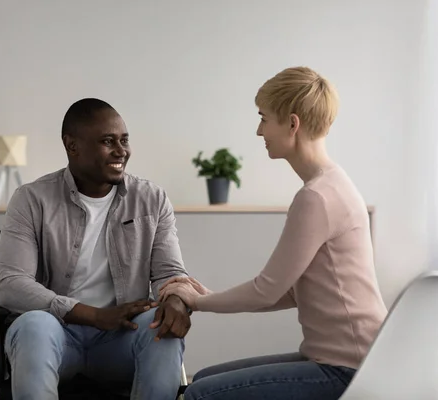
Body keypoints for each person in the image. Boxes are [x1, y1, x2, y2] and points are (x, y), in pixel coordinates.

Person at [159, 66, 388, 400]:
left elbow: (265, 291)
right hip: (358, 360)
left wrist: (200, 301)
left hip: (348, 371)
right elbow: (293, 292)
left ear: (292, 124)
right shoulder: (333, 186)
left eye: (264, 118)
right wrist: (207, 296)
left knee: (200, 395)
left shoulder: (317, 197)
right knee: (205, 379)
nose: (258, 130)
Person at [0, 98, 191, 400]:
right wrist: (95, 316)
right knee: (33, 325)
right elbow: (9, 285)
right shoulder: (32, 199)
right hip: (56, 336)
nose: (121, 151)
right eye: (107, 141)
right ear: (72, 146)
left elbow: (170, 273)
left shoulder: (152, 199)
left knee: (162, 330)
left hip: (122, 338)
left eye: (124, 140)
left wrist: (176, 299)